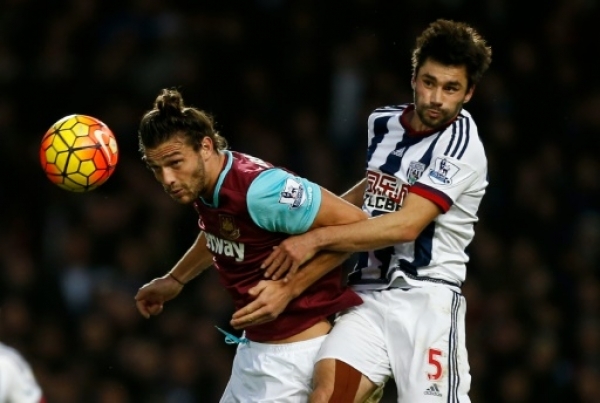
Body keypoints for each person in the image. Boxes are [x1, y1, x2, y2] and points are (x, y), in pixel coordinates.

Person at [236, 19, 493, 402]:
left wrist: (315, 238)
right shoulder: (383, 122)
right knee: (325, 396)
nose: (437, 98)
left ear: (468, 93)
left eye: (451, 87)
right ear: (414, 78)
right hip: (366, 298)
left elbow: (407, 225)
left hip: (426, 301)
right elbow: (370, 190)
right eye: (429, 82)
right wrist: (311, 215)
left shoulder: (461, 145)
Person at [133, 88, 369, 403]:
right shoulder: (208, 184)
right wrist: (176, 279)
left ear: (205, 147)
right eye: (156, 168)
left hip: (295, 358)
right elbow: (222, 229)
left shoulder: (261, 191)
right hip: (255, 353)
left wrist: (289, 286)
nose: (167, 178)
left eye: (175, 163)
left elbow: (360, 226)